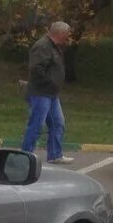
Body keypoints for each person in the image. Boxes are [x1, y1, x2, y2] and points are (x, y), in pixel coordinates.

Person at [21, 21, 74, 164]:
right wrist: (51, 82)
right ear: (60, 33)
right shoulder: (42, 46)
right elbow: (37, 69)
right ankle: (25, 156)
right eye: (67, 35)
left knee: (58, 123)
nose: (68, 38)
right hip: (40, 93)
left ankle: (55, 154)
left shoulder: (54, 47)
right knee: (36, 125)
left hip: (51, 94)